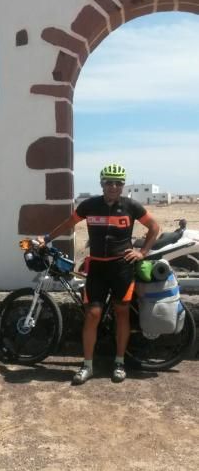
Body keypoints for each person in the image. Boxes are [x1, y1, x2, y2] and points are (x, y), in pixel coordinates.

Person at [39, 164, 160, 385]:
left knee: (122, 313)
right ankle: (87, 366)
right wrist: (46, 239)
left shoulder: (131, 206)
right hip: (97, 268)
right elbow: (69, 224)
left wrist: (142, 252)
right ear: (102, 183)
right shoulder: (90, 205)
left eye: (118, 182)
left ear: (123, 185)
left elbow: (154, 226)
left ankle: (120, 362)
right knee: (92, 315)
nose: (113, 186)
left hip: (121, 268)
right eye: (109, 182)